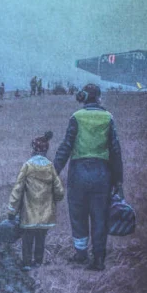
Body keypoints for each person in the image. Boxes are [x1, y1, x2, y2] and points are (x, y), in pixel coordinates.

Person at [52, 83, 123, 270]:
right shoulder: (108, 118)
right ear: (99, 97)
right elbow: (115, 151)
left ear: (83, 97)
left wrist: (53, 172)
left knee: (78, 214)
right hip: (102, 174)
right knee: (100, 216)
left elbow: (66, 147)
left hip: (78, 173)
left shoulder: (76, 117)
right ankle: (99, 258)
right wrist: (119, 181)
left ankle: (80, 253)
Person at [7, 133, 64, 269]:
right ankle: (38, 262)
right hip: (45, 213)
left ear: (33, 149)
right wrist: (55, 200)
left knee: (27, 239)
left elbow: (18, 189)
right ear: (45, 150)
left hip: (28, 212)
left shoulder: (27, 166)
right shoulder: (50, 167)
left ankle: (26, 262)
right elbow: (59, 190)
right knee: (41, 238)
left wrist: (12, 210)